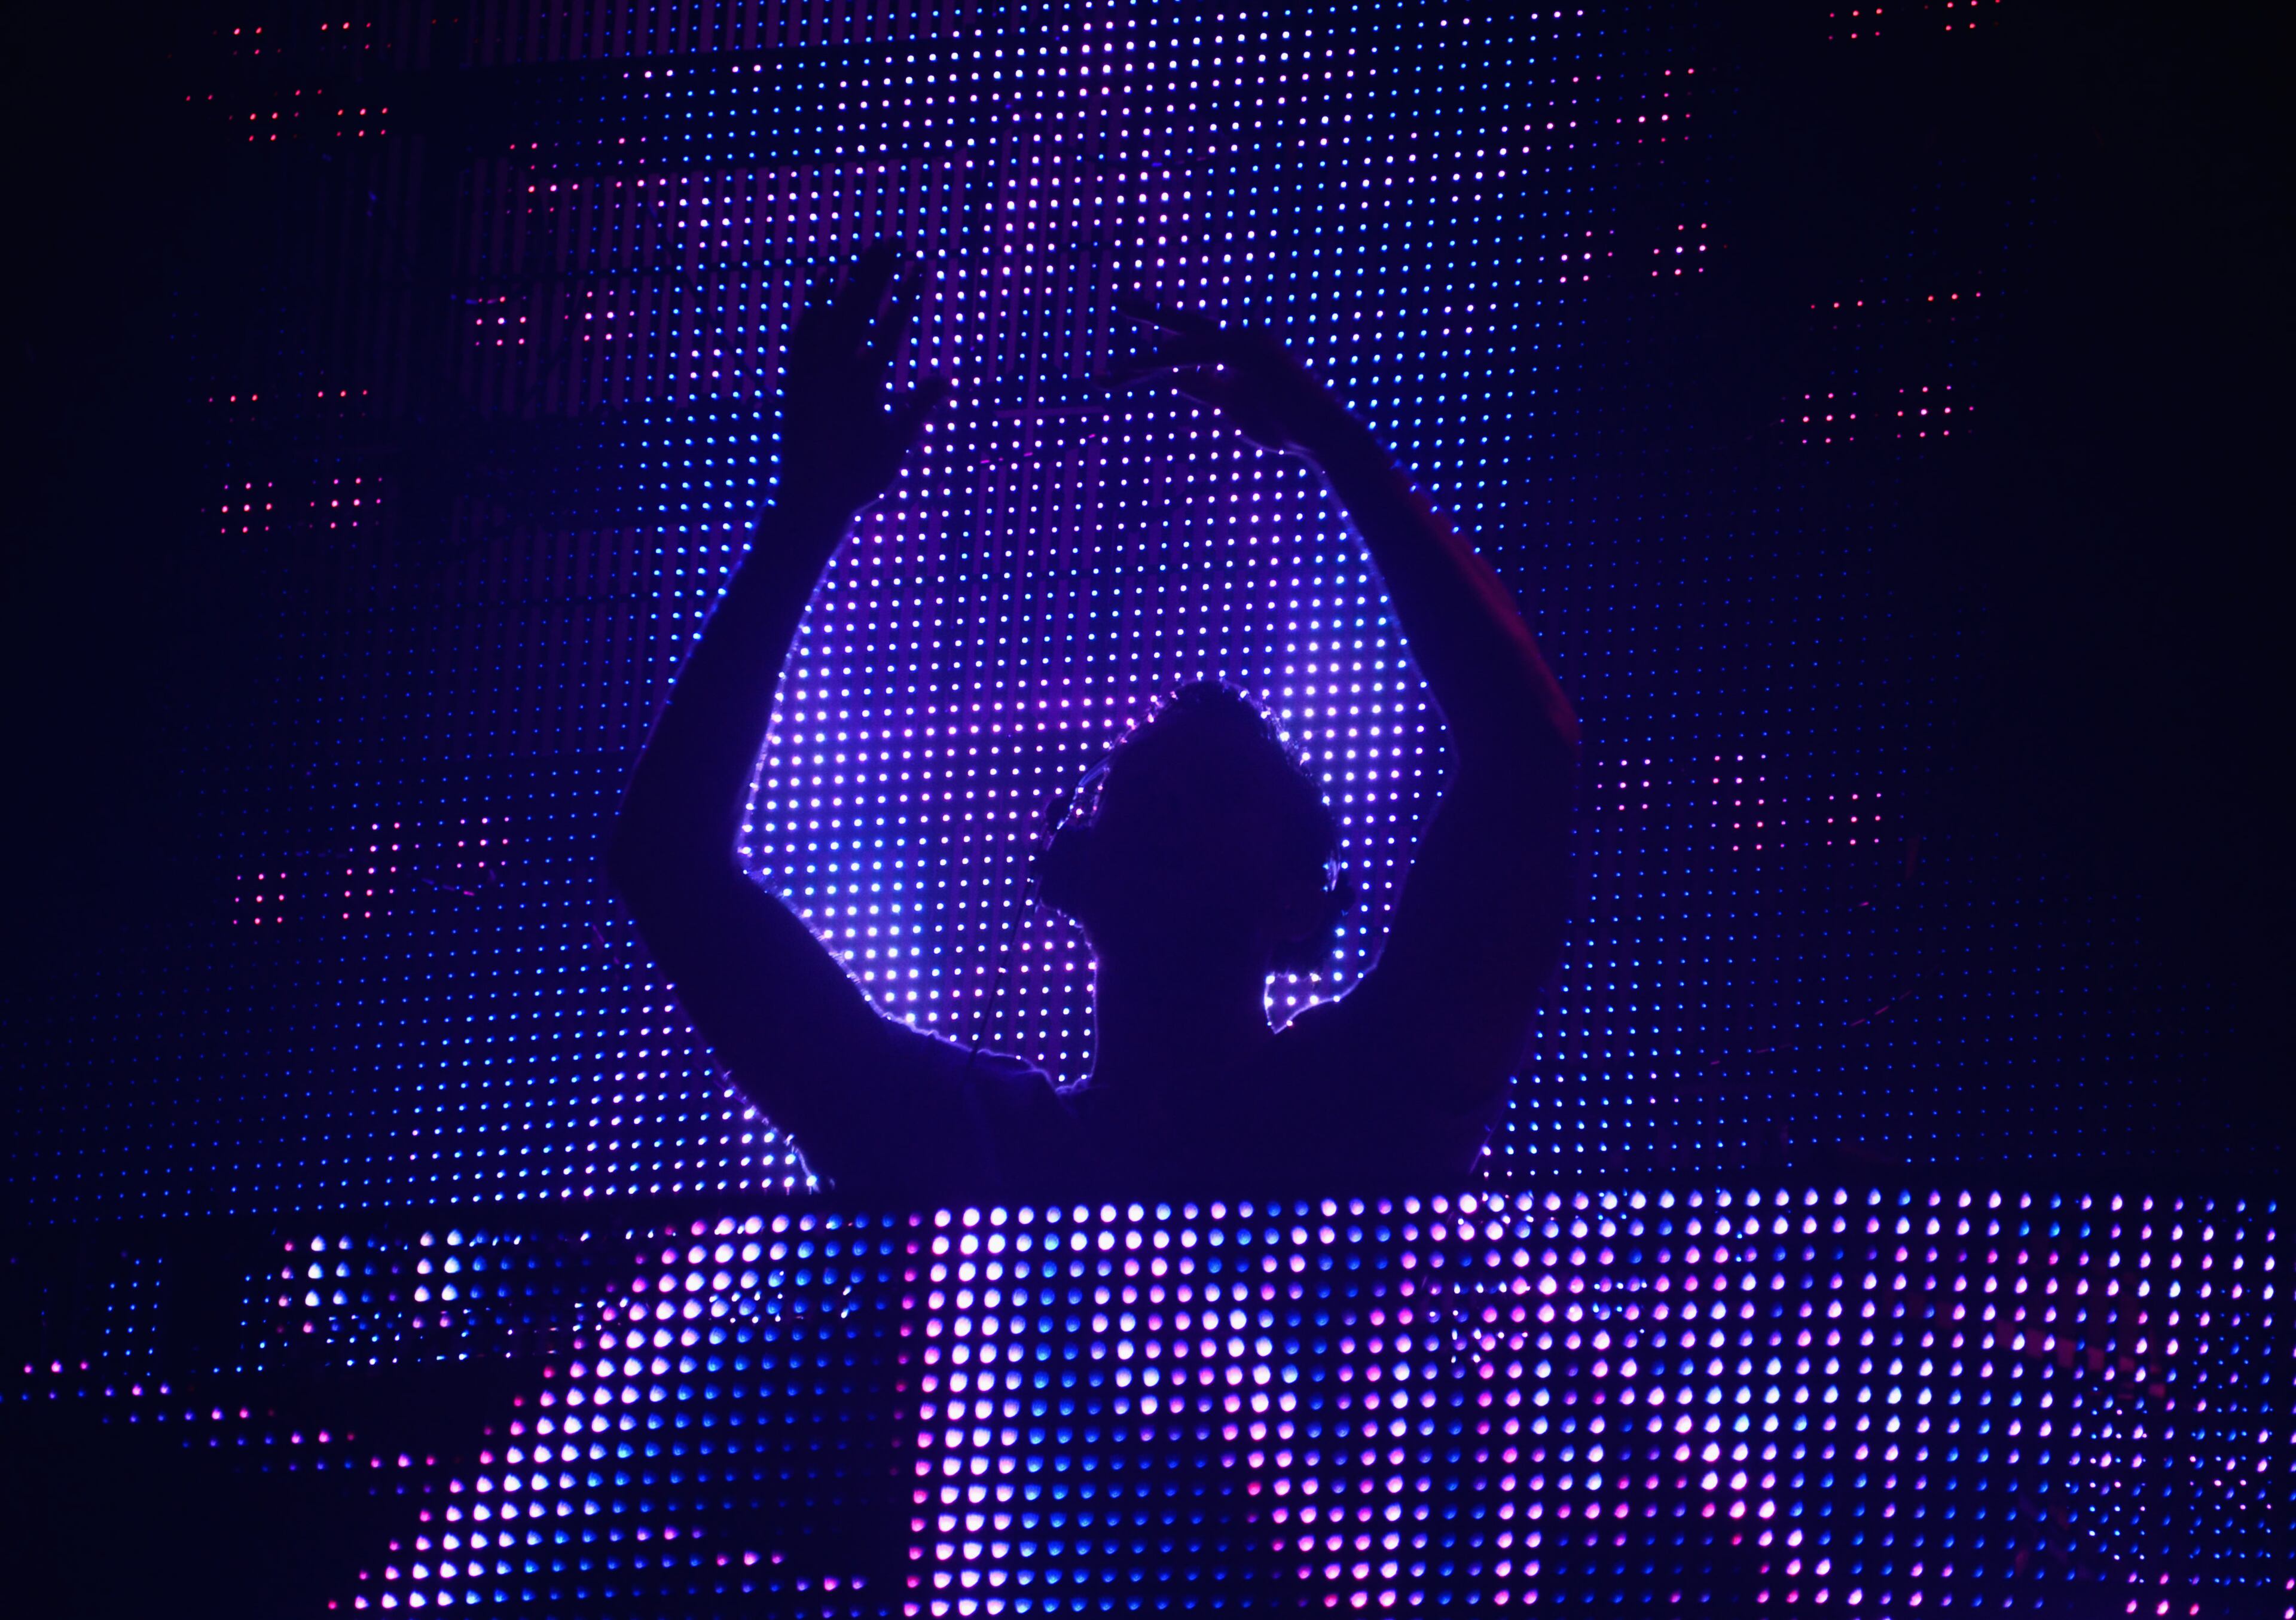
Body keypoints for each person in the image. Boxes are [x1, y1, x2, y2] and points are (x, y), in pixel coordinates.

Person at [606, 244, 1579, 1201]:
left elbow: (1528, 758)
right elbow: (669, 868)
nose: (1178, 805)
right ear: (1076, 861)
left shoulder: (973, 1140)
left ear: (1295, 900)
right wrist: (802, 514)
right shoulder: (1359, 1105)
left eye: (1215, 791)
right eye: (1153, 786)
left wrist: (1342, 445)